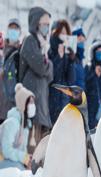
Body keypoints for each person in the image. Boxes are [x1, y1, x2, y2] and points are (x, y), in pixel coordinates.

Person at [19, 6, 53, 145]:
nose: (46, 27)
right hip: (31, 102)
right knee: (31, 144)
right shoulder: (30, 41)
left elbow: (50, 76)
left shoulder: (42, 46)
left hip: (41, 103)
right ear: (35, 24)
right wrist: (49, 64)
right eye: (44, 24)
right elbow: (41, 68)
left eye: (48, 24)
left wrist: (48, 65)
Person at [0, 83, 36, 170]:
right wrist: (23, 158)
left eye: (33, 102)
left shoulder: (25, 124)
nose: (33, 105)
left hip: (11, 161)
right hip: (2, 160)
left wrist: (27, 161)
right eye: (30, 102)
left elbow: (22, 150)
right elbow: (6, 150)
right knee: (20, 171)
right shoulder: (12, 123)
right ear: (23, 103)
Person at [48, 19, 75, 124]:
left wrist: (72, 61)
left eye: (65, 33)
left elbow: (71, 80)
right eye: (61, 33)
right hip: (52, 100)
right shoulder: (50, 52)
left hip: (64, 100)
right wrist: (59, 57)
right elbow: (52, 76)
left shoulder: (68, 54)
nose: (64, 35)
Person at [0, 18, 22, 122]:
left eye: (16, 28)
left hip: (12, 108)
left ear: (19, 32)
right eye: (11, 28)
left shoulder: (21, 53)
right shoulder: (1, 52)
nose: (13, 31)